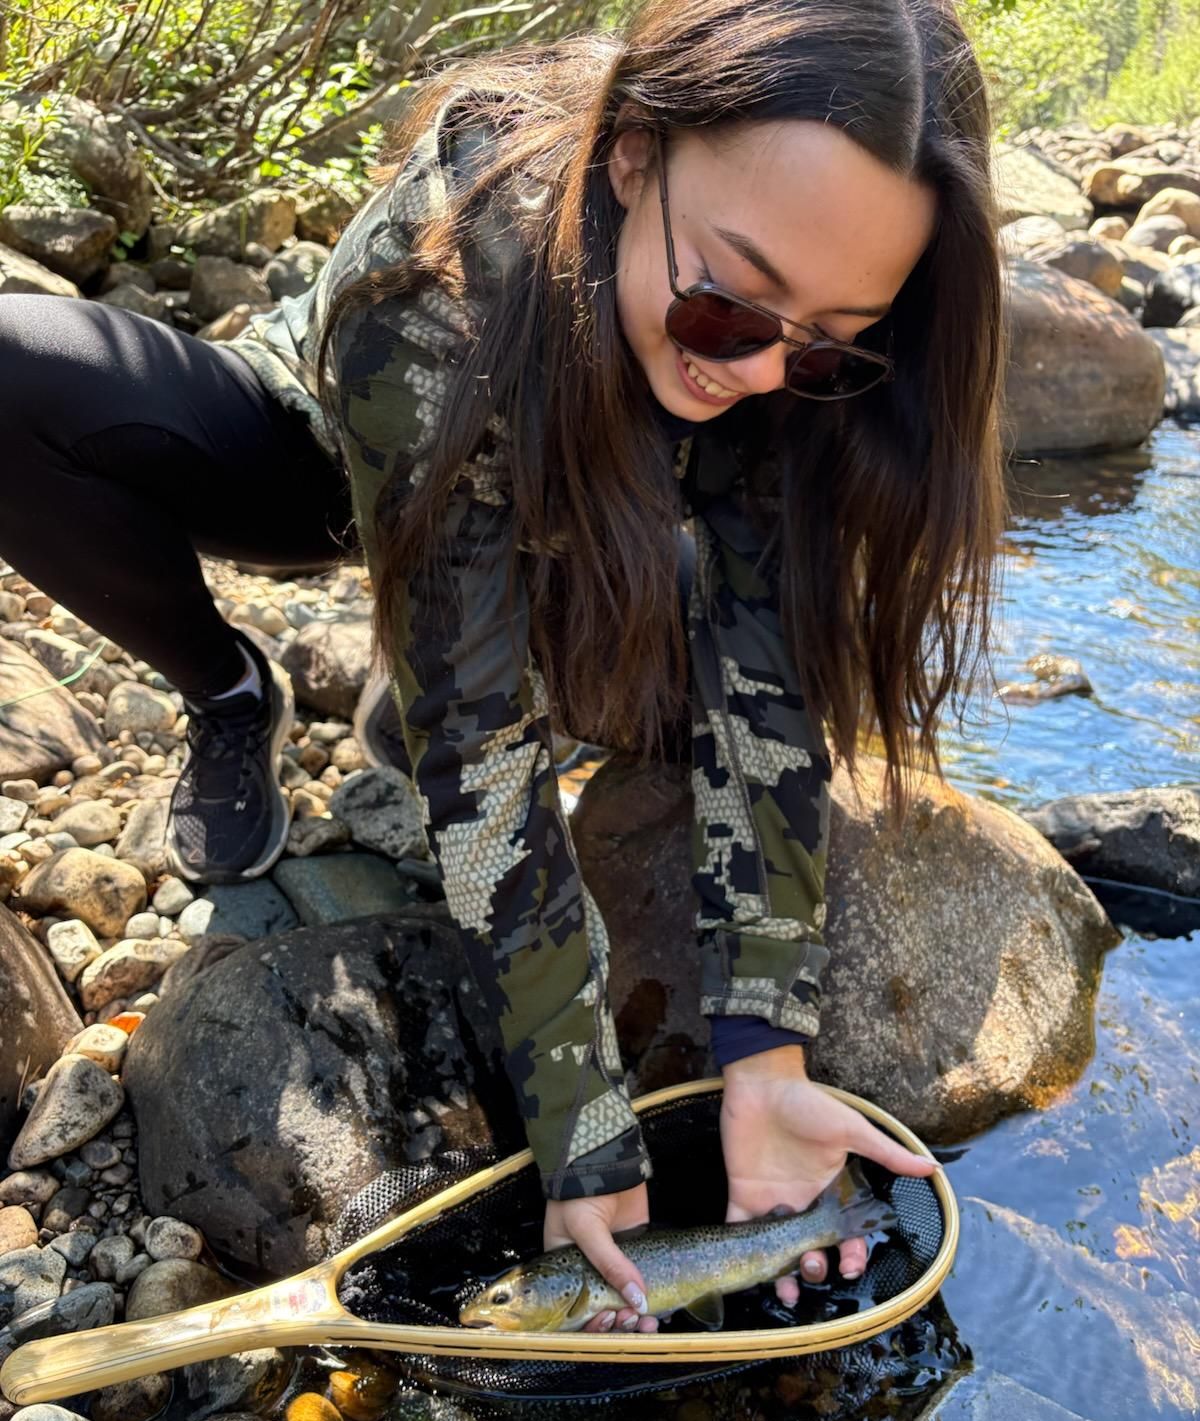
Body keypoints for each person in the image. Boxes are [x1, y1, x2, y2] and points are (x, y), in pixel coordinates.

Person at [0, 0, 1003, 1335]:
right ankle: (234, 690)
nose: (764, 366)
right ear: (635, 158)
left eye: (828, 338)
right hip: (353, 445)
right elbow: (480, 772)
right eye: (728, 302)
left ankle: (473, 618)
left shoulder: (774, 371)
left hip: (614, 495)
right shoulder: (436, 301)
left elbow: (762, 684)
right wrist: (581, 1119)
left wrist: (765, 1048)